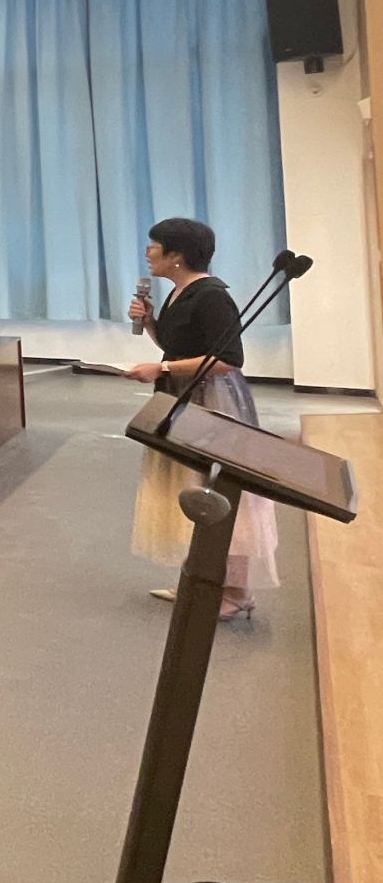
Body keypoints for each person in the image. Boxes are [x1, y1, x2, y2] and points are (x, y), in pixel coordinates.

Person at [125, 217, 277, 620]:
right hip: (183, 396)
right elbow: (178, 346)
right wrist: (151, 323)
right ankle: (208, 579)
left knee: (218, 490)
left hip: (213, 402)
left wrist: (161, 369)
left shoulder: (212, 296)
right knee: (191, 488)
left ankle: (238, 590)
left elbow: (228, 360)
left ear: (176, 255)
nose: (147, 252)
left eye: (153, 245)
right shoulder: (179, 292)